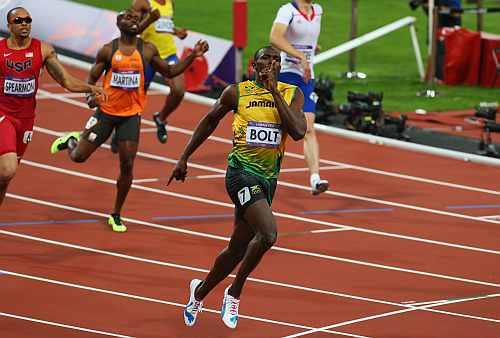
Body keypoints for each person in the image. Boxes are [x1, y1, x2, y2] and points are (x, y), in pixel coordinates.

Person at [169, 46, 306, 329]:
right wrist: (184, 157)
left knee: (237, 249)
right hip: (240, 174)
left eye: (277, 60)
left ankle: (199, 293)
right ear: (254, 66)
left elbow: (297, 131)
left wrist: (274, 92)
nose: (272, 63)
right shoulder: (237, 92)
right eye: (266, 59)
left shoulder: (292, 93)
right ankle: (234, 293)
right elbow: (209, 121)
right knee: (268, 235)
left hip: (268, 180)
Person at [50, 9, 208, 232]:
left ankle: (116, 214)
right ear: (118, 23)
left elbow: (171, 72)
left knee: (127, 165)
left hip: (131, 115)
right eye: (128, 18)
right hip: (105, 112)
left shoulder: (147, 50)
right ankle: (72, 140)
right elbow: (92, 77)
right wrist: (90, 96)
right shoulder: (108, 51)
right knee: (78, 157)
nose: (133, 20)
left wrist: (193, 55)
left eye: (136, 18)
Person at [0, 7, 106, 207]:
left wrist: (91, 87)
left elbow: (66, 81)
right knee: (8, 169)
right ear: (9, 26)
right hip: (2, 114)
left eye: (27, 20)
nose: (24, 23)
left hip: (25, 120)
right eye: (18, 20)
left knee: (5, 180)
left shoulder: (43, 50)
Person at [269, 0, 329, 196]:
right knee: (281, 127)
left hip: (306, 77)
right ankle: (261, 169)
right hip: (287, 74)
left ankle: (315, 179)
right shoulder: (287, 11)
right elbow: (275, 38)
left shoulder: (318, 10)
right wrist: (299, 56)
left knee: (309, 128)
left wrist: (311, 49)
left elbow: (307, 40)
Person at [132, 0, 188, 144]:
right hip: (148, 55)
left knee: (179, 90)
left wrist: (177, 31)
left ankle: (161, 118)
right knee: (136, 97)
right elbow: (132, 29)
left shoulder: (170, 2)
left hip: (168, 54)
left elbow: (164, 25)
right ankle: (122, 127)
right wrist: (150, 18)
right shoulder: (142, 3)